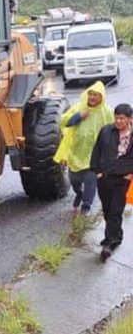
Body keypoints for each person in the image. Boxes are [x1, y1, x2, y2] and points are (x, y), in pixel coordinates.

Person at [54, 81, 113, 215]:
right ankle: (78, 193)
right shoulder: (78, 108)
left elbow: (114, 129)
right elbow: (63, 122)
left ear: (101, 97)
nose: (92, 97)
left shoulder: (107, 112)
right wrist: (78, 116)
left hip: (94, 155)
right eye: (90, 94)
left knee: (90, 181)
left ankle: (86, 206)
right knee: (74, 179)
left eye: (96, 95)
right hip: (75, 153)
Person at [90, 103, 133, 262]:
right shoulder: (106, 131)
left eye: (122, 118)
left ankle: (109, 243)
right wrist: (97, 172)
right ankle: (116, 235)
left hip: (123, 179)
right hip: (105, 176)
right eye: (116, 117)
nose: (118, 121)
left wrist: (130, 174)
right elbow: (97, 150)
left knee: (116, 210)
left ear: (129, 119)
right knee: (107, 209)